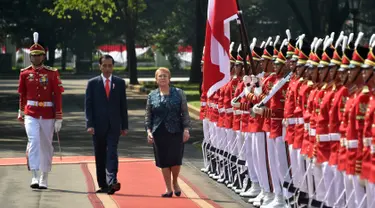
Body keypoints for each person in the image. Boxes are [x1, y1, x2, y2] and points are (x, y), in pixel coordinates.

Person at [17, 32, 64, 189]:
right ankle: (35, 175)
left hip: (48, 114)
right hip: (31, 112)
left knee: (46, 145)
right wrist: (20, 111)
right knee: (34, 141)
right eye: (33, 55)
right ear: (30, 56)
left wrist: (59, 117)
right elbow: (22, 94)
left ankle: (44, 176)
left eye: (39, 55)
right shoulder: (25, 73)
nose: (36, 58)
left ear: (43, 56)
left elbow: (57, 95)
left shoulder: (52, 73)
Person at [84, 54, 128, 195]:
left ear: (113, 67)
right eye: (105, 66)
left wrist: (124, 125)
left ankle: (112, 181)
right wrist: (89, 124)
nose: (108, 69)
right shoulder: (92, 83)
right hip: (97, 126)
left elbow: (123, 106)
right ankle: (103, 184)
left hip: (114, 125)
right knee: (100, 155)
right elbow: (88, 106)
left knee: (112, 153)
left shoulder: (120, 83)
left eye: (110, 66)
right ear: (100, 66)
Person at [145, 67, 191, 197]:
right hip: (159, 132)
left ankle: (175, 181)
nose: (163, 78)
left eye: (165, 76)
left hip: (176, 131)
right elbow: (148, 115)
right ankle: (168, 188)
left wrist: (186, 129)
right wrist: (148, 131)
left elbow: (185, 113)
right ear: (156, 79)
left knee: (175, 160)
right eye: (160, 76)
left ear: (169, 78)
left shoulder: (179, 93)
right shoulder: (152, 95)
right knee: (163, 160)